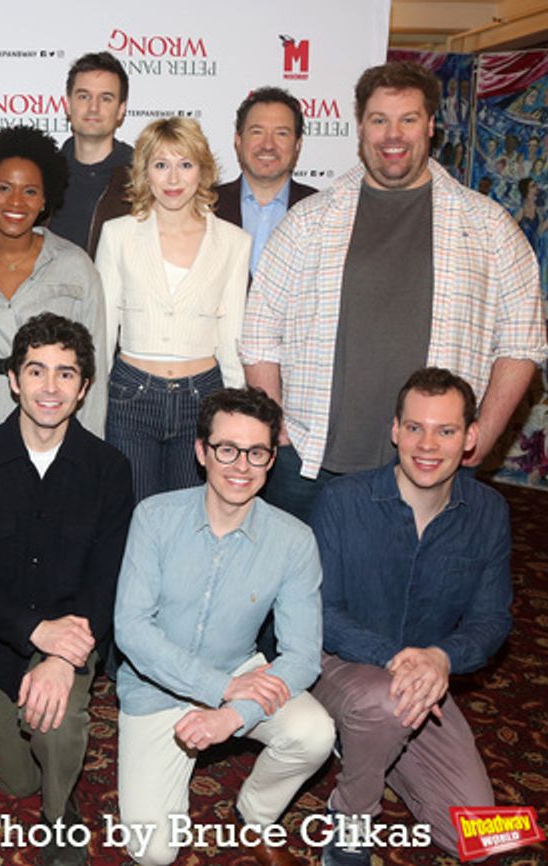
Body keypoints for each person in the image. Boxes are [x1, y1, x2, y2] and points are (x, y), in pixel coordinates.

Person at [243, 61, 547, 522]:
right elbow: (260, 330)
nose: (393, 135)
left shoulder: (488, 226)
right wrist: (277, 423)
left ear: (430, 126)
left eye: (408, 119)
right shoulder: (308, 221)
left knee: (423, 574)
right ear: (361, 126)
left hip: (434, 466)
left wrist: (482, 434)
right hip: (309, 463)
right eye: (379, 120)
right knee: (302, 573)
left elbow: (522, 342)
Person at [114, 387, 334, 866]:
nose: (241, 466)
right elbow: (131, 629)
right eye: (227, 449)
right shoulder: (154, 517)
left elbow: (302, 655)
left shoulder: (294, 541)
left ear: (271, 459)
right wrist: (220, 688)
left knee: (315, 733)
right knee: (154, 853)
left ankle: (255, 813)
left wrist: (233, 713)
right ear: (201, 451)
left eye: (256, 453)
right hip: (155, 688)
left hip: (239, 670)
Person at [0, 314, 134, 866]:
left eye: (65, 373)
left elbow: (108, 576)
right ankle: (39, 767)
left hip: (72, 637)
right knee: (15, 782)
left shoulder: (109, 468)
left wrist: (60, 656)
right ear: (13, 379)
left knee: (55, 725)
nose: (49, 387)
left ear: (83, 387)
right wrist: (33, 631)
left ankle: (60, 816)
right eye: (36, 371)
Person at [310, 368, 512, 865]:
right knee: (384, 701)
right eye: (415, 427)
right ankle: (350, 820)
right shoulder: (342, 500)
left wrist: (442, 658)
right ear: (395, 430)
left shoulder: (489, 511)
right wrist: (396, 657)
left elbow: (492, 620)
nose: (427, 444)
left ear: (470, 437)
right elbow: (318, 611)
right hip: (335, 665)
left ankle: (369, 742)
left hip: (421, 681)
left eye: (446, 431)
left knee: (484, 838)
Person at [95, 117, 251, 501]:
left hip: (204, 397)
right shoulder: (117, 234)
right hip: (130, 396)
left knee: (189, 516)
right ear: (144, 172)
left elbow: (232, 338)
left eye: (185, 164)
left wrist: (235, 417)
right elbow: (103, 333)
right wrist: (93, 410)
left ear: (203, 171)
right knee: (133, 513)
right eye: (161, 164)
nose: (173, 178)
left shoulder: (233, 242)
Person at [0, 125, 107, 455]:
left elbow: (94, 367)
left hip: (56, 425)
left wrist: (89, 451)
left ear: (44, 200)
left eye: (29, 191)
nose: (16, 201)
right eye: (3, 188)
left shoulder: (76, 266)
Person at [213, 87, 317, 275]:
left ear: (297, 145)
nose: (268, 145)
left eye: (281, 133)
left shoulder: (320, 210)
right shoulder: (205, 206)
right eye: (257, 132)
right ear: (238, 141)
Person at [51, 51, 133, 257]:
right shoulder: (42, 175)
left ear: (121, 110)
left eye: (106, 98)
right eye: (84, 96)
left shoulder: (143, 177)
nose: (93, 108)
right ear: (68, 105)